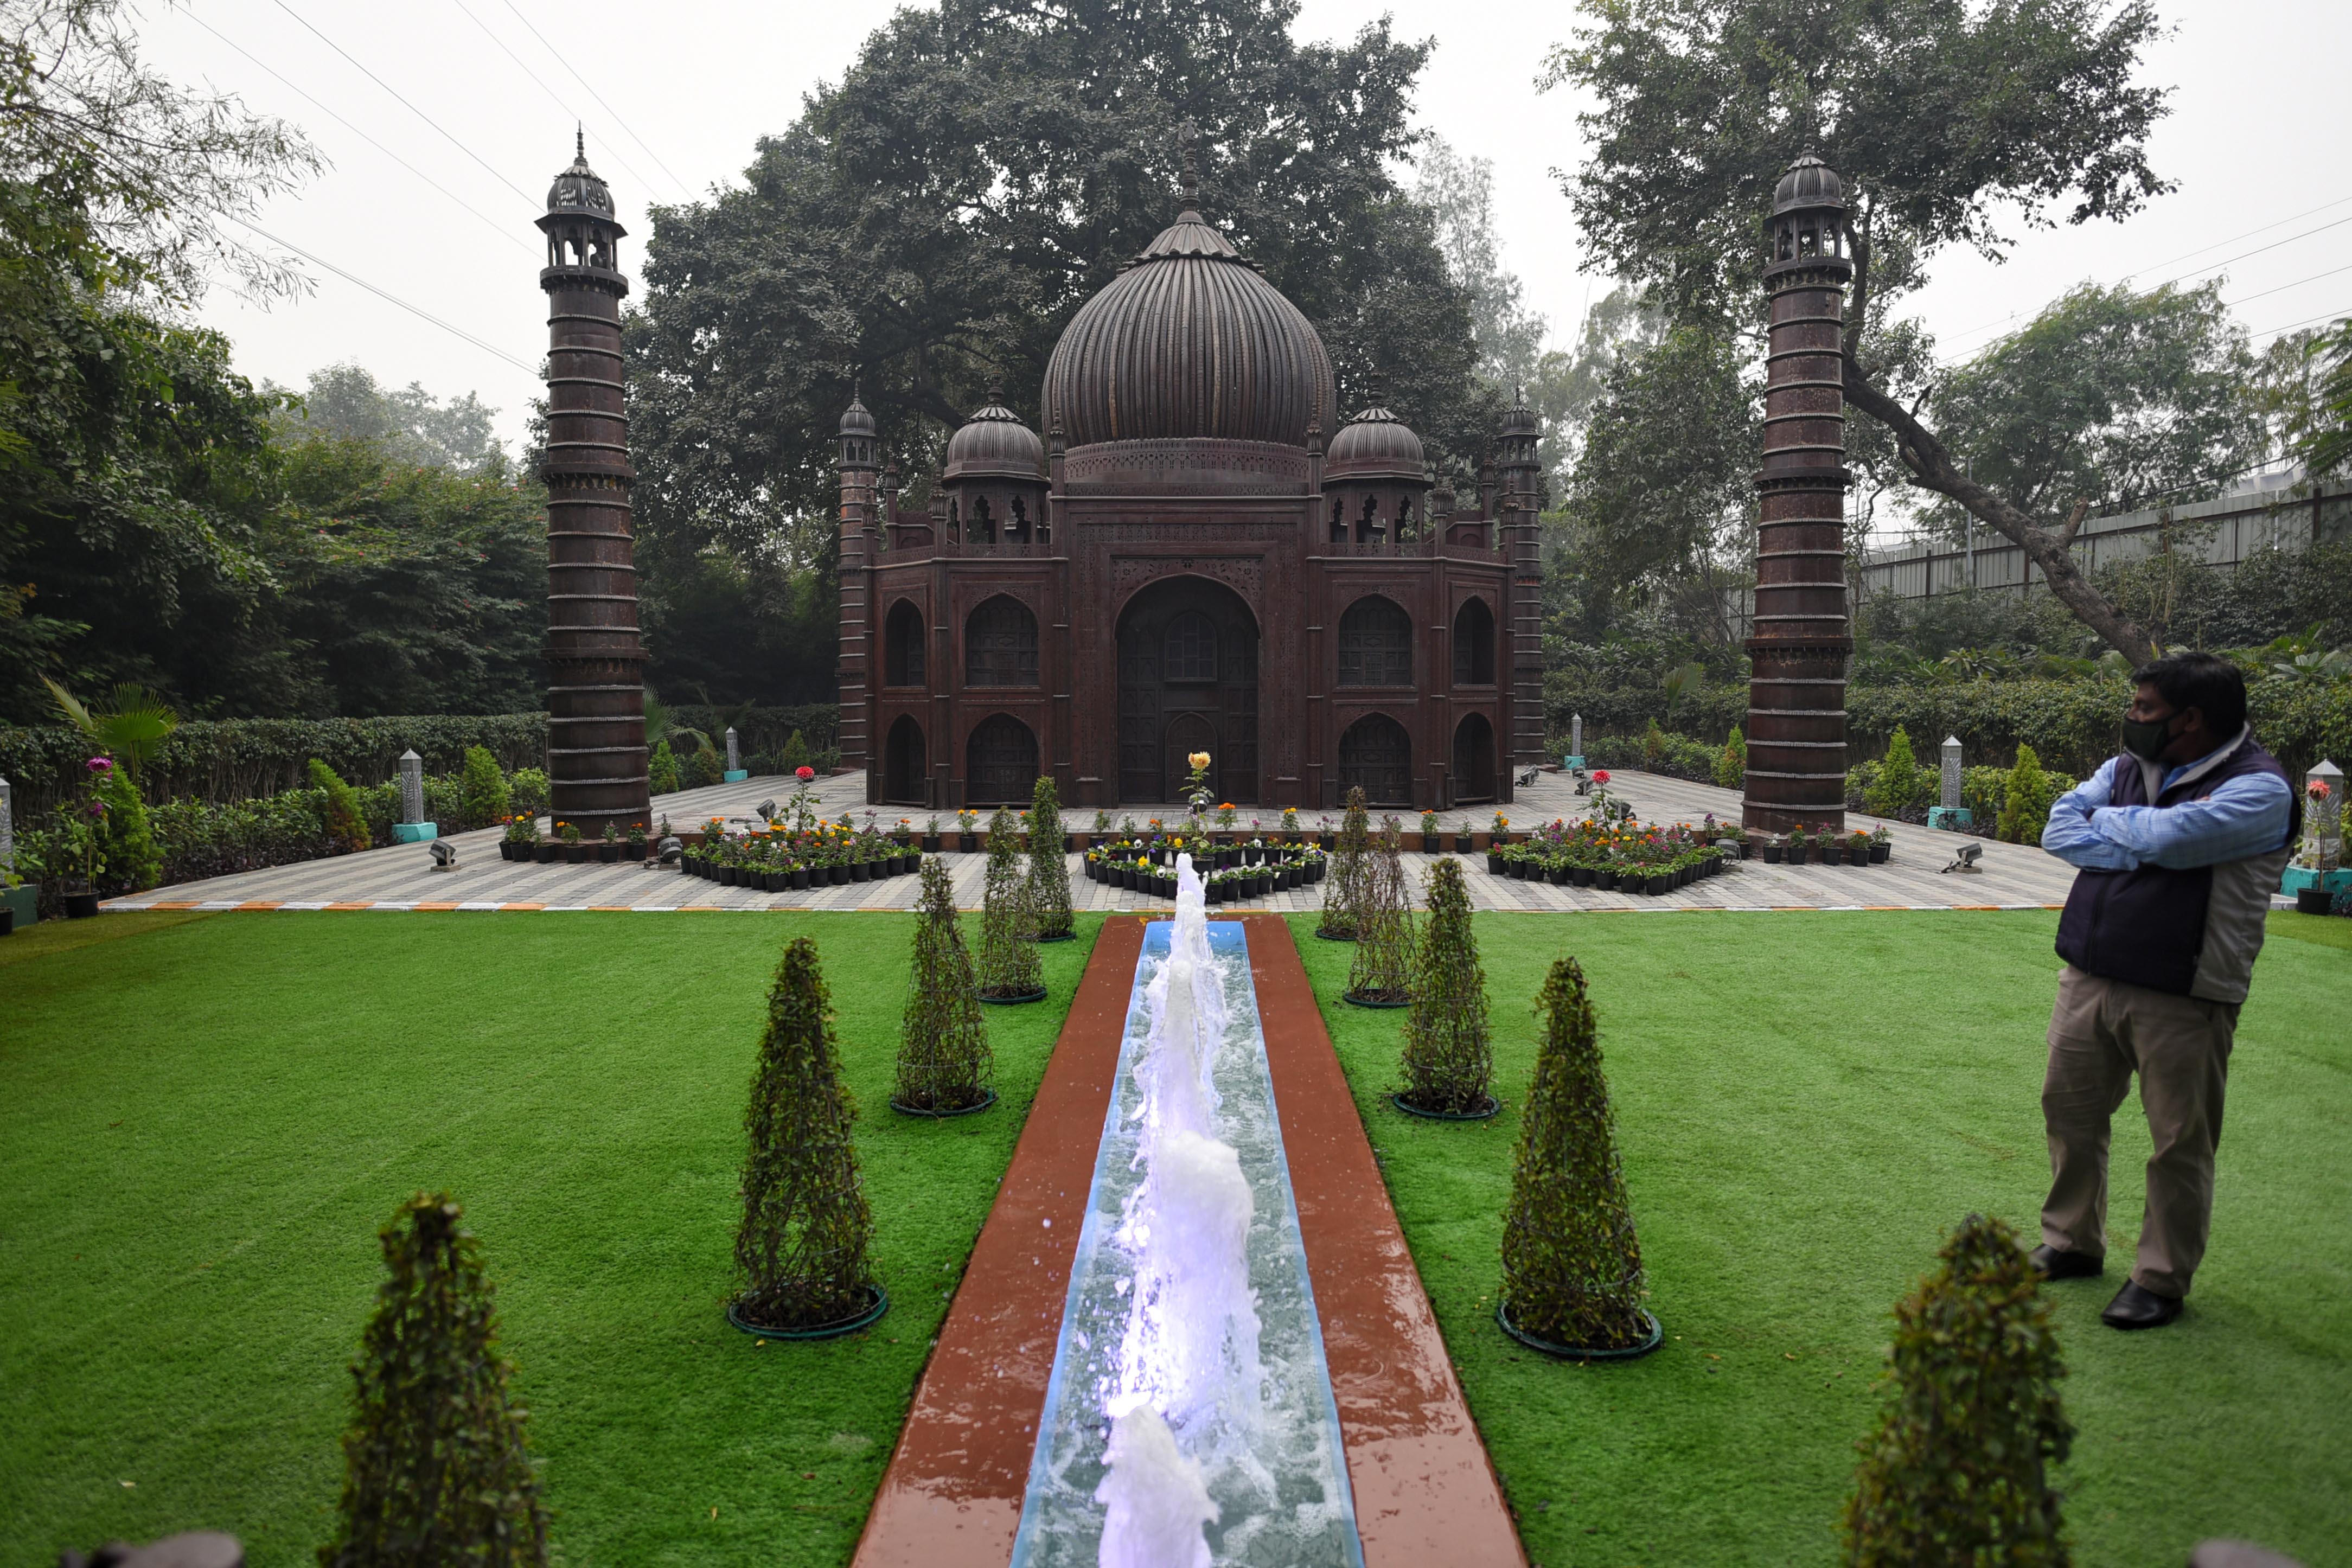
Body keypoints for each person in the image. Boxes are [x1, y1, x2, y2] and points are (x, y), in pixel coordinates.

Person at [2035, 651, 2299, 1329]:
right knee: (2069, 1113)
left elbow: (2179, 839)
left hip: (2187, 990)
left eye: (2144, 708)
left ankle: (2159, 1276)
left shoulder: (2261, 788)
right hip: (2092, 971)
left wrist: (2125, 833)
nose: (2132, 718)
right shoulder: (2126, 766)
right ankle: (2070, 1241)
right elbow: (2058, 827)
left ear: (2190, 718)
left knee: (2177, 1140)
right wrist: (2141, 841)